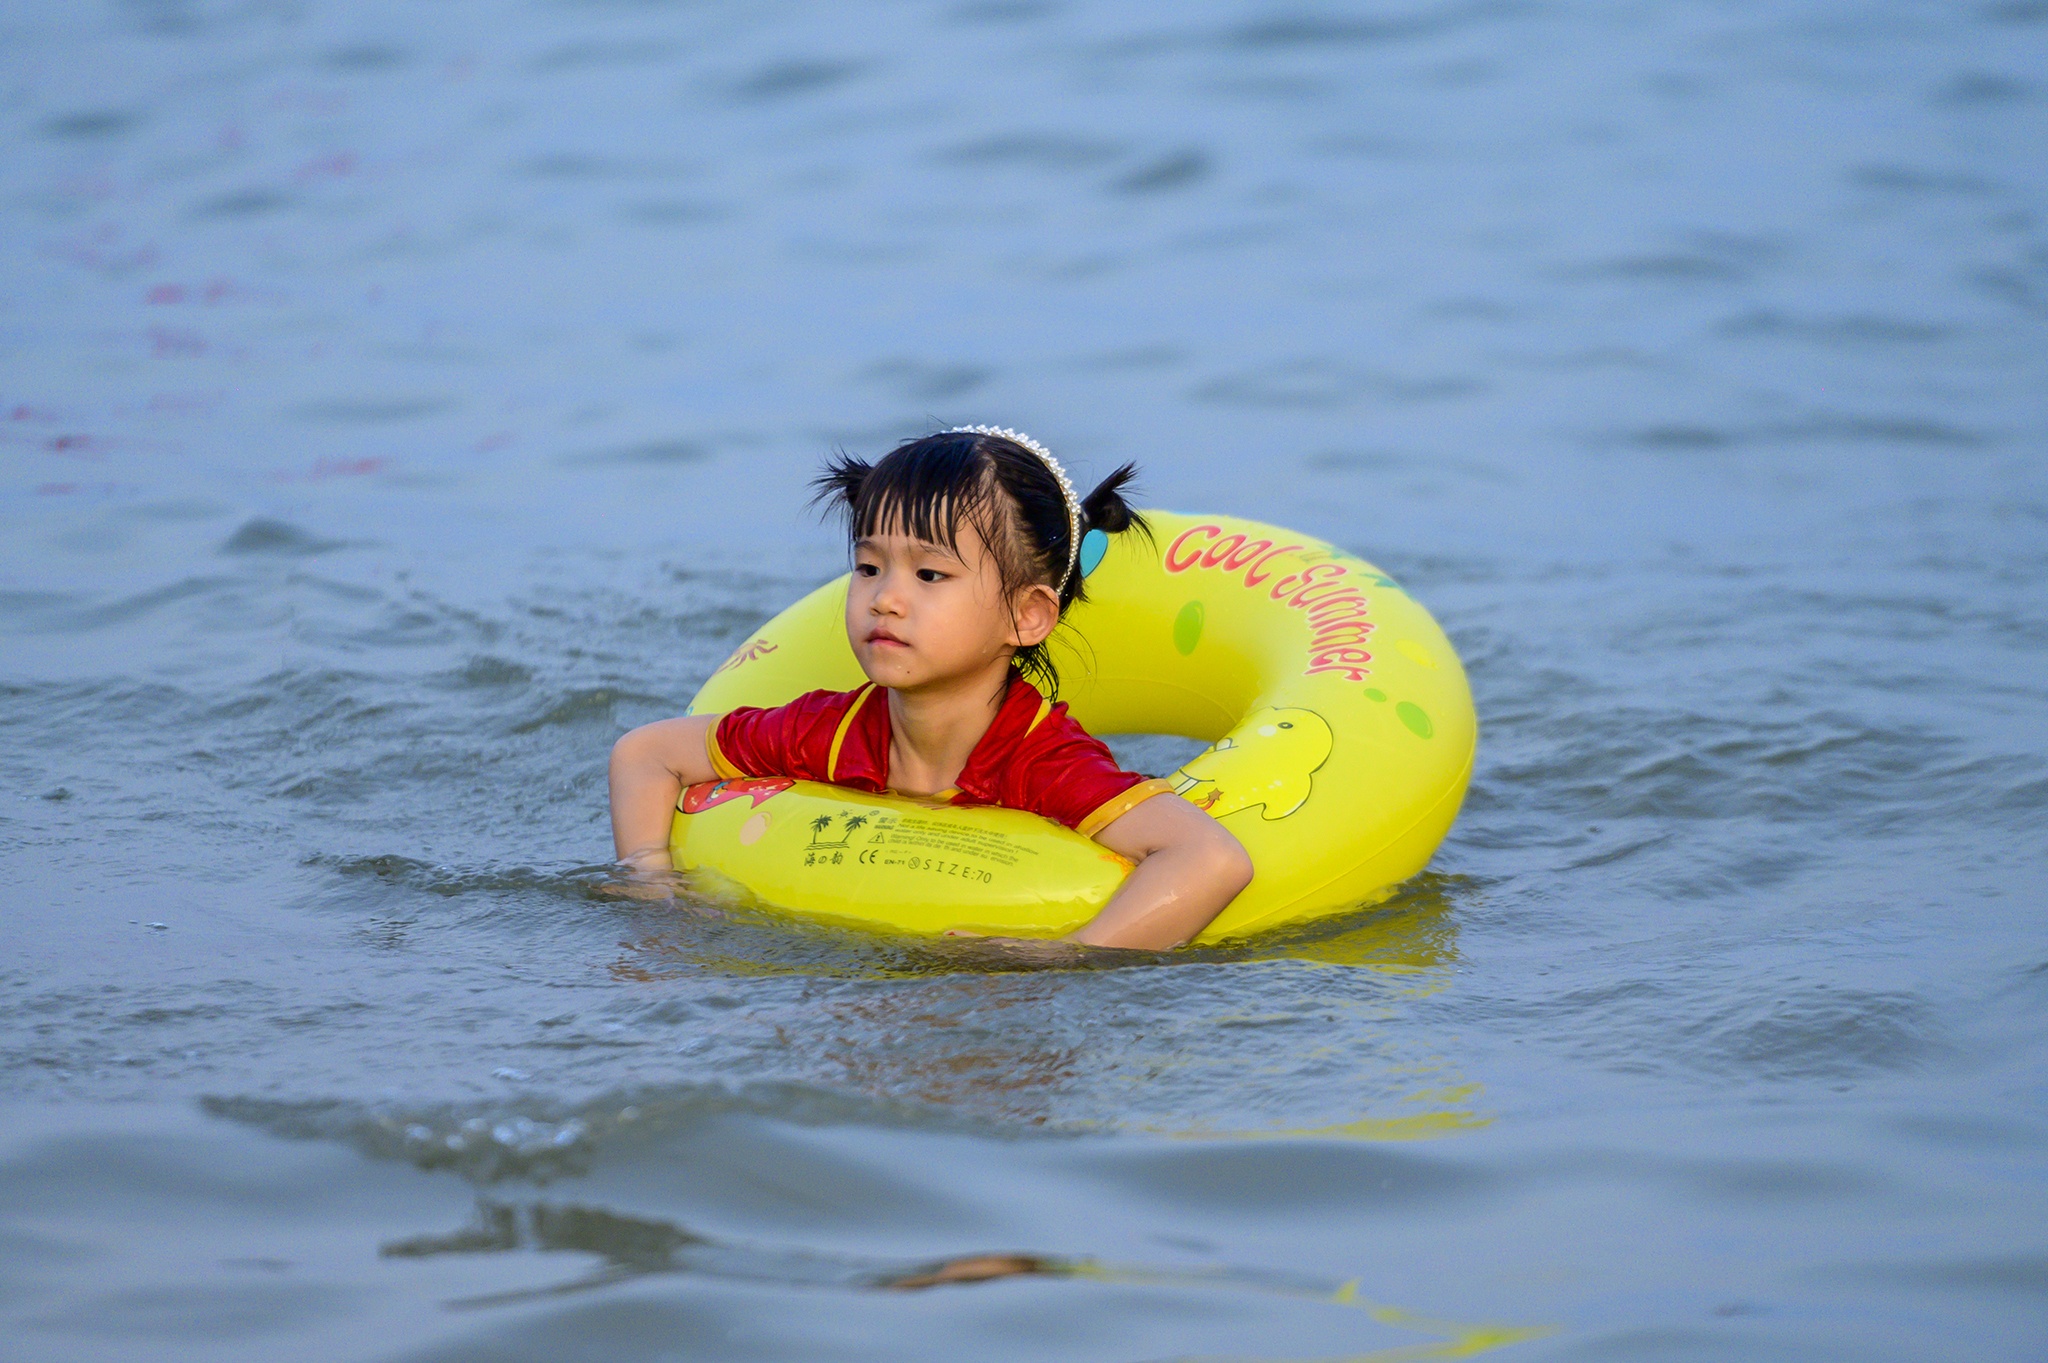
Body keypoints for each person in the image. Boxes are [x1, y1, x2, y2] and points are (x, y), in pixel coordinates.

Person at [607, 426, 1253, 951]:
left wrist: (1069, 952)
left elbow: (1210, 859)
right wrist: (651, 882)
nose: (884, 598)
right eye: (868, 566)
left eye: (929, 575)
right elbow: (646, 753)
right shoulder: (830, 733)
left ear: (1026, 615)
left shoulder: (1041, 759)